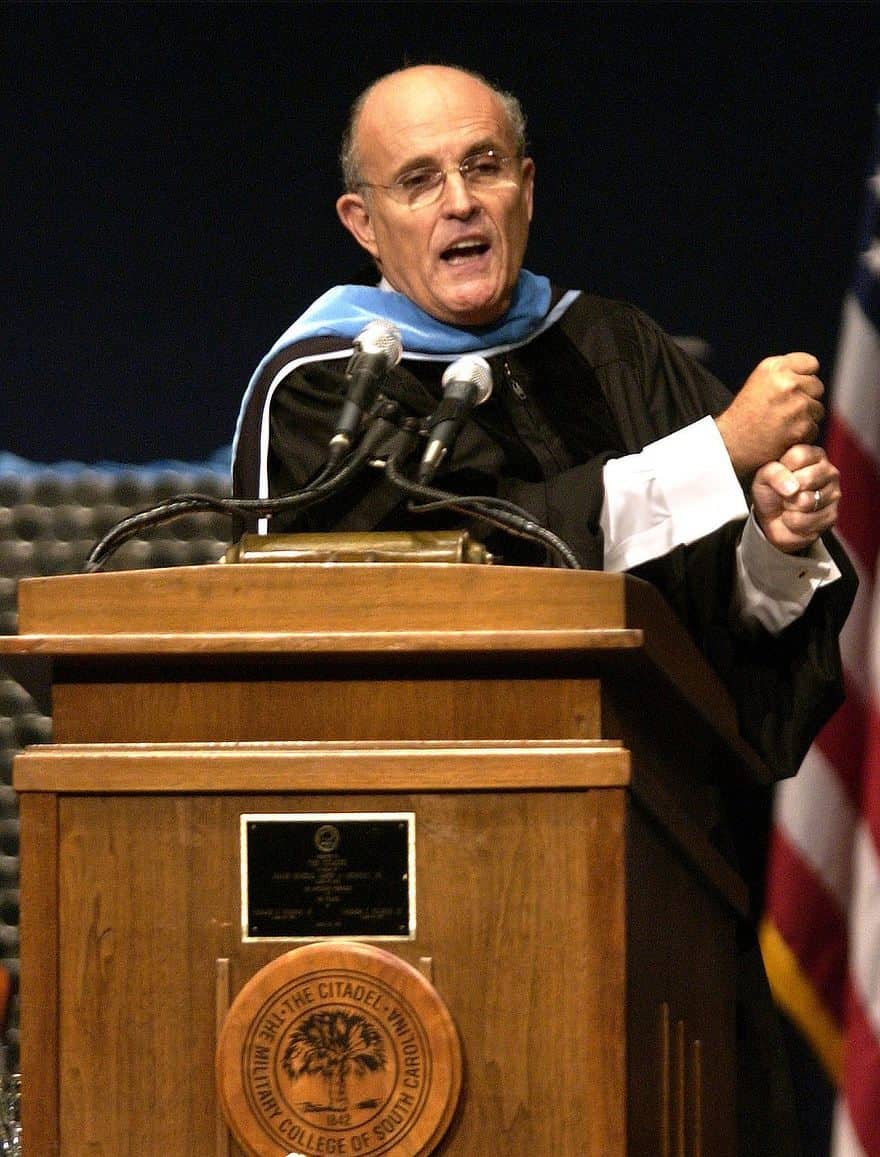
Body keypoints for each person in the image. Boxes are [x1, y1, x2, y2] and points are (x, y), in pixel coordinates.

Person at [232, 64, 857, 1154]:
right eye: (418, 181)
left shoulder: (613, 349)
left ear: (527, 184)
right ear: (363, 223)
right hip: (406, 903)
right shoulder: (327, 389)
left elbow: (730, 643)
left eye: (482, 167)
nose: (459, 202)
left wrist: (773, 536)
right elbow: (460, 565)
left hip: (647, 882)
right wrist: (714, 455)